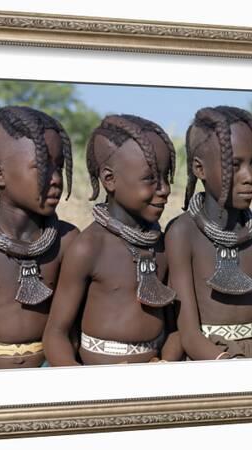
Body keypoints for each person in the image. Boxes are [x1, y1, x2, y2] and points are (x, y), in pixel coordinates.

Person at [43, 114, 183, 366]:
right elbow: (56, 334)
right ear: (110, 180)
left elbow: (175, 328)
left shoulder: (162, 244)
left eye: (166, 177)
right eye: (150, 178)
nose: (164, 189)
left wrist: (167, 363)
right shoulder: (89, 247)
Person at [0, 105, 78, 370]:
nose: (55, 179)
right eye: (42, 167)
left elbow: (72, 333)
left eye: (59, 167)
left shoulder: (68, 241)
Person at [165, 106, 252, 360]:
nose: (250, 176)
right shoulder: (181, 234)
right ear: (199, 169)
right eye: (234, 165)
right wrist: (231, 368)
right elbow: (188, 333)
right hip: (207, 361)